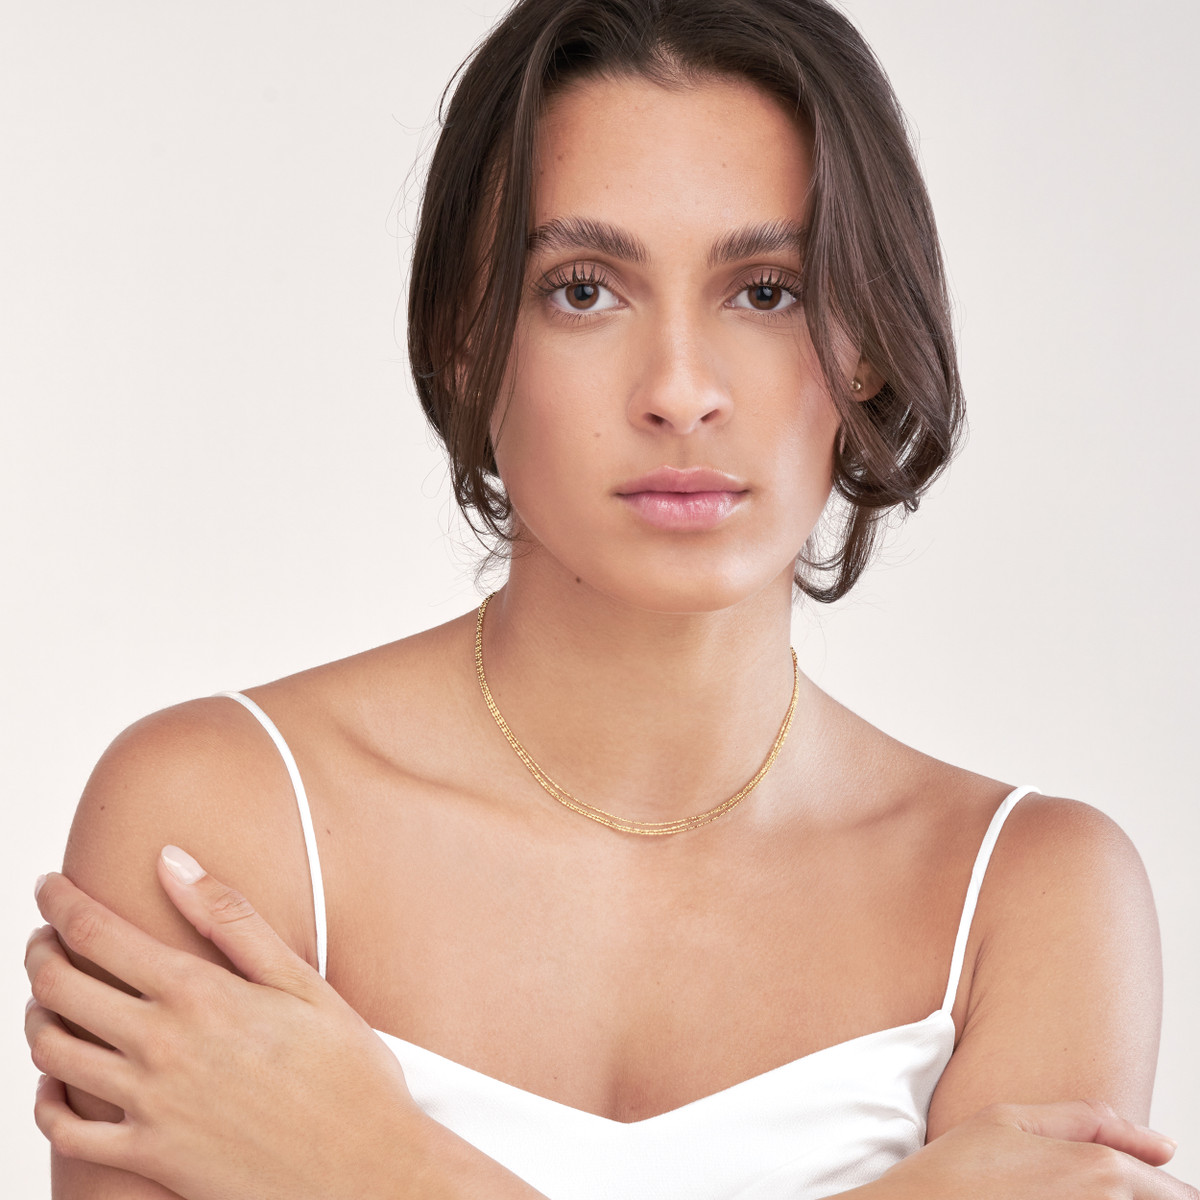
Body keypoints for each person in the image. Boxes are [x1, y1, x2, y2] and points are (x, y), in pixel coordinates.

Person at [21, 0, 1196, 1196]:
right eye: (584, 290)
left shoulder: (1030, 899)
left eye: (768, 291)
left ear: (870, 342)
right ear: (469, 339)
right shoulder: (219, 820)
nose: (680, 391)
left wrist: (375, 1163)